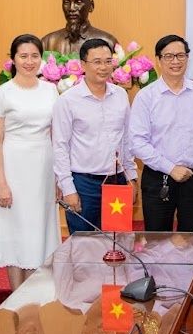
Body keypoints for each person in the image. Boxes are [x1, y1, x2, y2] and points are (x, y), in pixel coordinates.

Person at [0, 34, 60, 291]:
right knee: (16, 234)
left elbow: (55, 136)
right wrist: (2, 184)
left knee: (40, 232)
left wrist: (58, 177)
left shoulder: (50, 90)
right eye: (23, 56)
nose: (29, 61)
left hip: (43, 167)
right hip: (14, 167)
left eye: (34, 56)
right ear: (13, 59)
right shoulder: (0, 93)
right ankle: (16, 299)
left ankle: (37, 298)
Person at [128, 35, 193, 232]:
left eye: (180, 55)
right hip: (159, 179)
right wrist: (171, 168)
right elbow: (137, 142)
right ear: (158, 60)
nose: (175, 61)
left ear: (187, 58)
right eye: (168, 56)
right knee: (157, 240)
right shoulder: (146, 97)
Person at [53, 38, 138, 234]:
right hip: (84, 184)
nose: (104, 67)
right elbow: (60, 146)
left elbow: (126, 140)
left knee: (116, 241)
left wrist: (132, 178)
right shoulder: (68, 100)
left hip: (117, 182)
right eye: (97, 62)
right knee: (83, 243)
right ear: (83, 65)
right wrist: (68, 189)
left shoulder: (120, 95)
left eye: (108, 61)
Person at [41, 0, 117, 56]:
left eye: (78, 2)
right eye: (66, 2)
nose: (72, 8)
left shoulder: (108, 42)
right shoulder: (48, 42)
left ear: (91, 6)